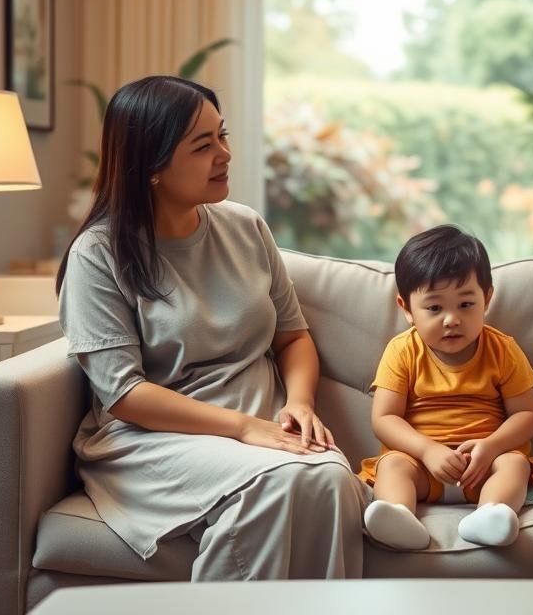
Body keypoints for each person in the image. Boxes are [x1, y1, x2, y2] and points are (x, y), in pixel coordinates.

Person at [56, 75, 366, 580]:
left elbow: (293, 336)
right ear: (151, 166)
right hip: (152, 439)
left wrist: (300, 403)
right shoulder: (98, 254)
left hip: (256, 427)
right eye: (203, 145)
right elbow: (124, 393)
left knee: (331, 477)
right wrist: (245, 428)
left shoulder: (245, 227)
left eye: (222, 136)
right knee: (284, 480)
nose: (224, 154)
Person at [358, 225, 533, 550]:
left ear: (486, 298)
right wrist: (427, 450)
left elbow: (527, 415)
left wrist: (490, 447)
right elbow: (385, 419)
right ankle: (399, 518)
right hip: (421, 466)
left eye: (465, 304)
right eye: (434, 308)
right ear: (406, 309)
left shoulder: (501, 349)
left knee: (514, 464)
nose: (451, 319)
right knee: (392, 466)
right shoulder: (402, 350)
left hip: (484, 465)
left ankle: (492, 515)